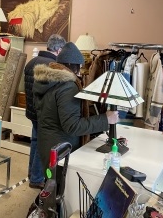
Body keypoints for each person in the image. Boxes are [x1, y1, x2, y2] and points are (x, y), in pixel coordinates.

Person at [33, 42, 119, 174]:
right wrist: (105, 119)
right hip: (62, 148)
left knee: (52, 183)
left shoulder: (48, 81)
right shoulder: (67, 86)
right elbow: (72, 125)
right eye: (79, 67)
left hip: (48, 143)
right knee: (61, 188)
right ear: (74, 66)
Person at [24, 34, 66, 189]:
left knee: (35, 141)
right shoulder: (53, 66)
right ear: (59, 49)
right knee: (41, 144)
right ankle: (36, 178)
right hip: (43, 112)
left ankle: (31, 173)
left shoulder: (31, 62)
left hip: (31, 109)